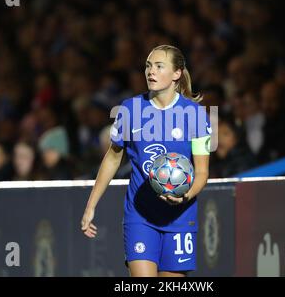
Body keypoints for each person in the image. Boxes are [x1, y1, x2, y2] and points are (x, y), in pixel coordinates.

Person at [80, 45, 211, 277]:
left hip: (180, 217)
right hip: (140, 215)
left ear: (176, 73)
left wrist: (185, 196)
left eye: (159, 66)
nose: (151, 71)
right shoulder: (130, 109)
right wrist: (91, 206)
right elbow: (112, 157)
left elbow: (201, 172)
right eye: (148, 66)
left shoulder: (196, 115)